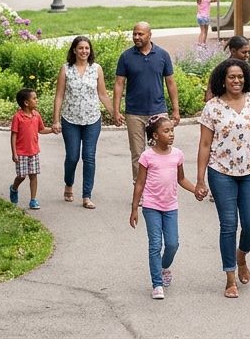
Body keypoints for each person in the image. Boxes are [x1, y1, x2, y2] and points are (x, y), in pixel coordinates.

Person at [196, 59, 250, 298]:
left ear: (246, 78)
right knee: (228, 225)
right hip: (221, 172)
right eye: (231, 77)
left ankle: (242, 255)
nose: (236, 81)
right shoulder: (213, 107)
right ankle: (230, 277)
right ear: (223, 79)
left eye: (240, 76)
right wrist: (200, 179)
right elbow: (205, 144)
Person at [130, 115, 198, 300]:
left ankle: (164, 267)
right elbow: (139, 183)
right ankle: (157, 283)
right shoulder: (147, 156)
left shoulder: (177, 155)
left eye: (172, 130)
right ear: (155, 135)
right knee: (155, 244)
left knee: (172, 244)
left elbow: (181, 178)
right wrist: (135, 208)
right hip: (151, 206)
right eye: (166, 131)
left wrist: (196, 190)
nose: (171, 134)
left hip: (170, 207)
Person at [52, 35, 114, 208]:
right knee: (72, 156)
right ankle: (69, 184)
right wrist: (56, 120)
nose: (84, 51)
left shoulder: (96, 69)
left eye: (87, 48)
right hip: (70, 119)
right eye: (80, 48)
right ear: (74, 50)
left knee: (89, 157)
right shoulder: (66, 69)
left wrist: (114, 113)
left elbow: (102, 94)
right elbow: (59, 96)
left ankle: (87, 195)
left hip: (92, 119)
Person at [113, 22, 180, 180]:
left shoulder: (162, 55)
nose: (136, 37)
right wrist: (116, 111)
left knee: (160, 151)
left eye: (140, 34)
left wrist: (175, 109)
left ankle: (159, 184)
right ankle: (140, 188)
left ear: (150, 35)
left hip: (158, 112)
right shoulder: (126, 57)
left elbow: (170, 82)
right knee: (138, 154)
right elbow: (119, 84)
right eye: (134, 34)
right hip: (134, 113)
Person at [9, 88, 54, 210]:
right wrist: (14, 153)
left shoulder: (36, 115)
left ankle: (33, 200)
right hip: (21, 153)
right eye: (34, 98)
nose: (36, 100)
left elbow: (41, 129)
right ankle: (14, 188)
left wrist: (52, 130)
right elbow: (14, 135)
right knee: (22, 176)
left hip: (34, 152)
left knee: (33, 175)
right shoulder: (18, 117)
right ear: (26, 103)